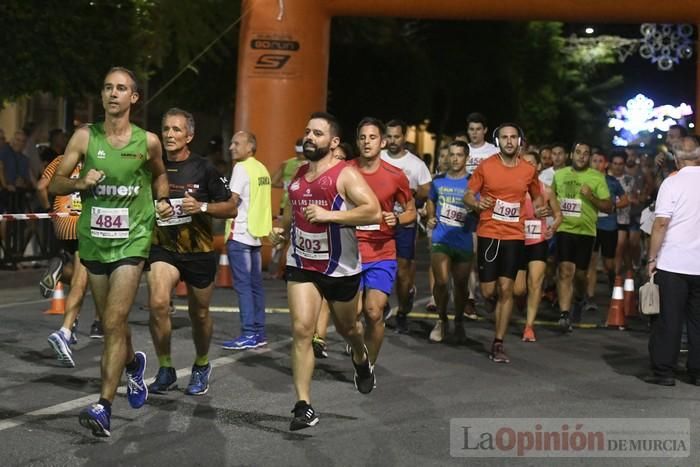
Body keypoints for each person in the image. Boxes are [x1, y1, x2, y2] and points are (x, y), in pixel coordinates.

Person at [49, 67, 173, 437]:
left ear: (134, 97)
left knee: (115, 321)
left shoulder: (148, 141)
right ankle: (134, 364)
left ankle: (103, 405)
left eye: (121, 88)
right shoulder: (85, 137)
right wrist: (78, 181)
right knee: (110, 323)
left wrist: (163, 199)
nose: (113, 94)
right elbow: (54, 181)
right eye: (107, 88)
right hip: (94, 240)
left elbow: (160, 174)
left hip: (132, 241)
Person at [269, 111, 381, 431]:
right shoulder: (298, 173)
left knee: (350, 330)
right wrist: (282, 230)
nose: (309, 137)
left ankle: (360, 358)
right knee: (303, 330)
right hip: (302, 262)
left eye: (317, 133)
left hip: (340, 268)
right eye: (307, 131)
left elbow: (372, 210)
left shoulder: (346, 174)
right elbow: (296, 212)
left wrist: (329, 216)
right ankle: (303, 405)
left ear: (333, 143)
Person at [146, 108, 236, 396]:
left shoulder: (205, 168)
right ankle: (165, 367)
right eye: (166, 129)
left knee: (199, 314)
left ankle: (201, 363)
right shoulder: (153, 167)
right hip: (164, 248)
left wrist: (202, 207)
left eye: (176, 130)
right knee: (158, 303)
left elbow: (231, 206)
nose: (170, 135)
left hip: (199, 251)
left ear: (189, 135)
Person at [464, 124, 543, 363]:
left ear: (520, 141)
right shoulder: (486, 166)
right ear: (497, 141)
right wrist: (477, 204)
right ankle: (490, 303)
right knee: (489, 291)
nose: (509, 141)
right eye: (504, 137)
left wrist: (541, 208)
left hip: (514, 236)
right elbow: (468, 195)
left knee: (507, 289)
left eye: (513, 137)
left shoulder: (529, 169)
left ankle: (498, 342)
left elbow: (537, 195)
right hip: (489, 232)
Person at [350, 117, 414, 363]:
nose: (367, 142)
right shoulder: (346, 171)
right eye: (363, 137)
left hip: (381, 251)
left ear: (383, 142)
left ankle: (367, 365)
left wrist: (397, 219)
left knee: (373, 313)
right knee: (351, 316)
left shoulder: (395, 175)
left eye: (373, 137)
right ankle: (357, 350)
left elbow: (410, 211)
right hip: (350, 251)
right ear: (357, 142)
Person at [644, 144, 700, 386]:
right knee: (698, 321)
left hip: (673, 263)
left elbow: (660, 224)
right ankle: (697, 372)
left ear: (676, 159)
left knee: (669, 318)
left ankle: (665, 371)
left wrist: (652, 258)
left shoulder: (672, 183)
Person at [41, 154, 103, 368]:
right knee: (83, 278)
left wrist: (49, 211)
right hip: (86, 222)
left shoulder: (60, 160)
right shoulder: (99, 161)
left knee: (84, 275)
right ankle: (67, 331)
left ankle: (59, 266)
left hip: (61, 220)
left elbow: (42, 186)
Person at [551, 142, 611, 332]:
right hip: (565, 229)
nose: (582, 156)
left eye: (586, 153)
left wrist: (591, 196)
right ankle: (564, 314)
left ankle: (578, 298)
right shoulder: (560, 175)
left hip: (586, 231)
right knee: (565, 270)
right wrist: (550, 210)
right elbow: (551, 197)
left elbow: (608, 207)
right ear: (571, 154)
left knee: (580, 275)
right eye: (578, 152)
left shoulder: (597, 177)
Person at [222, 130, 272, 350]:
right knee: (255, 287)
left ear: (250, 147)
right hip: (255, 235)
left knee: (243, 287)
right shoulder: (261, 169)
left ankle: (248, 334)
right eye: (231, 143)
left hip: (240, 234)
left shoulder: (241, 168)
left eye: (236, 143)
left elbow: (232, 202)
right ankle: (259, 333)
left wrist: (209, 206)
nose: (231, 147)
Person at [381, 119, 431, 333]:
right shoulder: (377, 159)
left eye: (397, 136)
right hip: (379, 222)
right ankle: (381, 307)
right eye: (389, 136)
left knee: (402, 272)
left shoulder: (415, 164)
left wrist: (409, 194)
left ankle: (402, 311)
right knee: (378, 268)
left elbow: (426, 190)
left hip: (404, 224)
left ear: (404, 138)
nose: (392, 141)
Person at [426, 140, 473, 343]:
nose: (454, 159)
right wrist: (430, 216)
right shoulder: (438, 181)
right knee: (442, 281)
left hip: (463, 239)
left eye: (459, 155)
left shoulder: (473, 183)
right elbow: (430, 200)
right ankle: (442, 319)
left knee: (461, 284)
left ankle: (459, 320)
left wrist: (475, 210)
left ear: (466, 158)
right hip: (441, 238)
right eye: (451, 154)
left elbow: (481, 206)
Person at [514, 151, 562, 342]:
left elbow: (558, 214)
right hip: (517, 241)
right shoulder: (512, 189)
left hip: (537, 241)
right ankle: (519, 302)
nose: (528, 167)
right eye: (524, 163)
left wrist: (553, 227)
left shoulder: (546, 190)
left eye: (531, 164)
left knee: (535, 284)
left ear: (538, 167)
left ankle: (529, 326)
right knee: (518, 289)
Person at [584, 151, 628, 317]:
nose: (596, 164)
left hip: (609, 226)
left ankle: (612, 279)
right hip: (591, 226)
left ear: (606, 164)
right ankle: (590, 297)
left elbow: (625, 200)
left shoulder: (611, 182)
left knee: (608, 263)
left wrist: (611, 207)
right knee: (592, 262)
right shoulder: (585, 180)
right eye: (594, 160)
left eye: (600, 161)